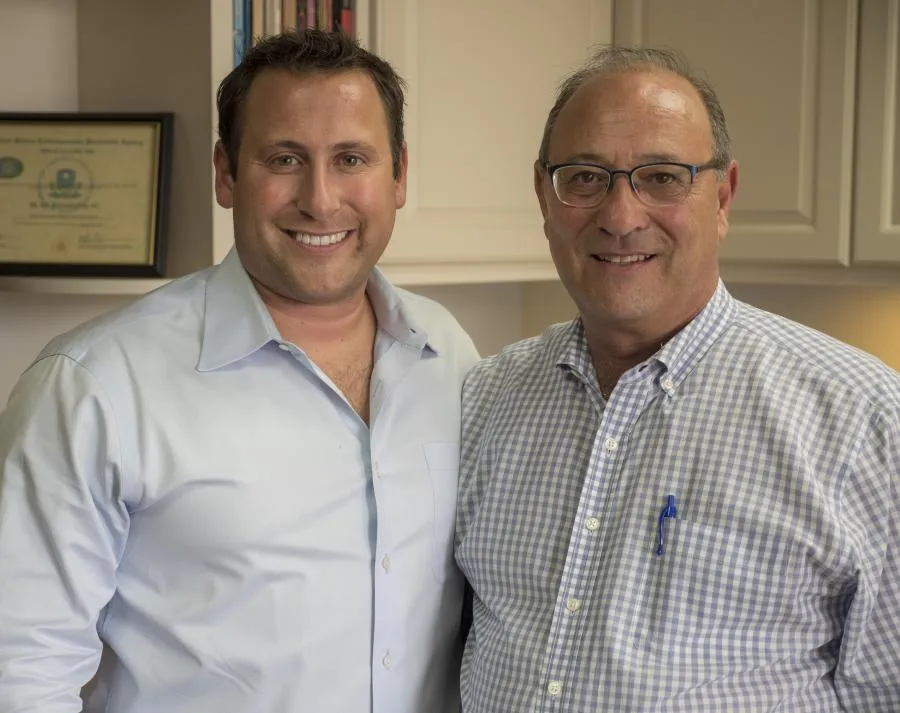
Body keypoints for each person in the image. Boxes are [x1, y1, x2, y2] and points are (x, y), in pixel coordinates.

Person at [0, 29, 478, 713]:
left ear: (398, 175)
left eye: (351, 159)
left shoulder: (450, 353)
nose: (320, 199)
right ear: (226, 173)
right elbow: (20, 673)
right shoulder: (92, 387)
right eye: (284, 159)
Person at [456, 46, 900, 712]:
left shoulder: (865, 419)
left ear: (722, 196)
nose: (620, 216)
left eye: (663, 177)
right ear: (544, 196)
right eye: (585, 177)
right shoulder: (483, 399)